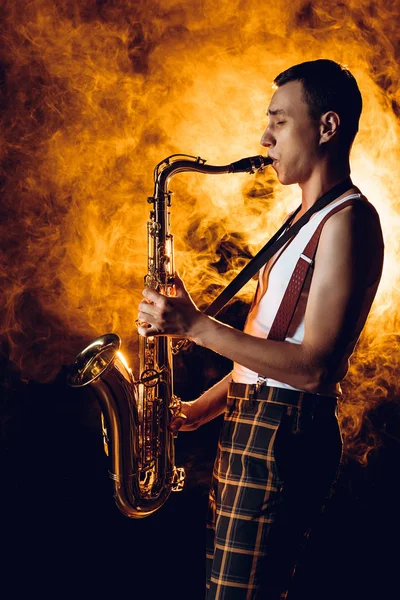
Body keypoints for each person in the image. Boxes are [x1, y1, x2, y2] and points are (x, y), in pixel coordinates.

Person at [137, 59, 384, 599]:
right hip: (260, 426)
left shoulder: (347, 221)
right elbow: (271, 358)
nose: (263, 137)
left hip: (283, 435)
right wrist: (197, 410)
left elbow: (315, 367)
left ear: (326, 127)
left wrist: (197, 326)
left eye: (278, 120)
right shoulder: (305, 219)